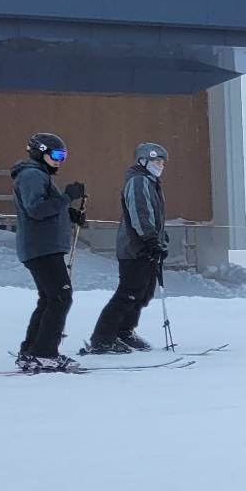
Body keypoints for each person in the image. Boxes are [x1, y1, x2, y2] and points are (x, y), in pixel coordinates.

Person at [10, 131, 87, 372]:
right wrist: (66, 199)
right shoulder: (32, 175)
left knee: (49, 299)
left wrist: (69, 214)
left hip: (42, 247)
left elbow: (44, 209)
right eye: (55, 154)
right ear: (39, 152)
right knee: (60, 298)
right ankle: (45, 353)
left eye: (63, 156)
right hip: (42, 248)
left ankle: (31, 351)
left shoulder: (38, 174)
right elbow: (36, 210)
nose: (59, 160)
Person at [84, 142, 169, 354]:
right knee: (129, 292)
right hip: (135, 247)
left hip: (145, 247)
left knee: (144, 291)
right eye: (155, 161)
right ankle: (103, 337)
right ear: (143, 161)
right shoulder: (139, 181)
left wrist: (160, 239)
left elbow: (154, 216)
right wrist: (150, 239)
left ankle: (124, 331)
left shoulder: (151, 182)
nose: (160, 165)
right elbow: (140, 213)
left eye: (162, 162)